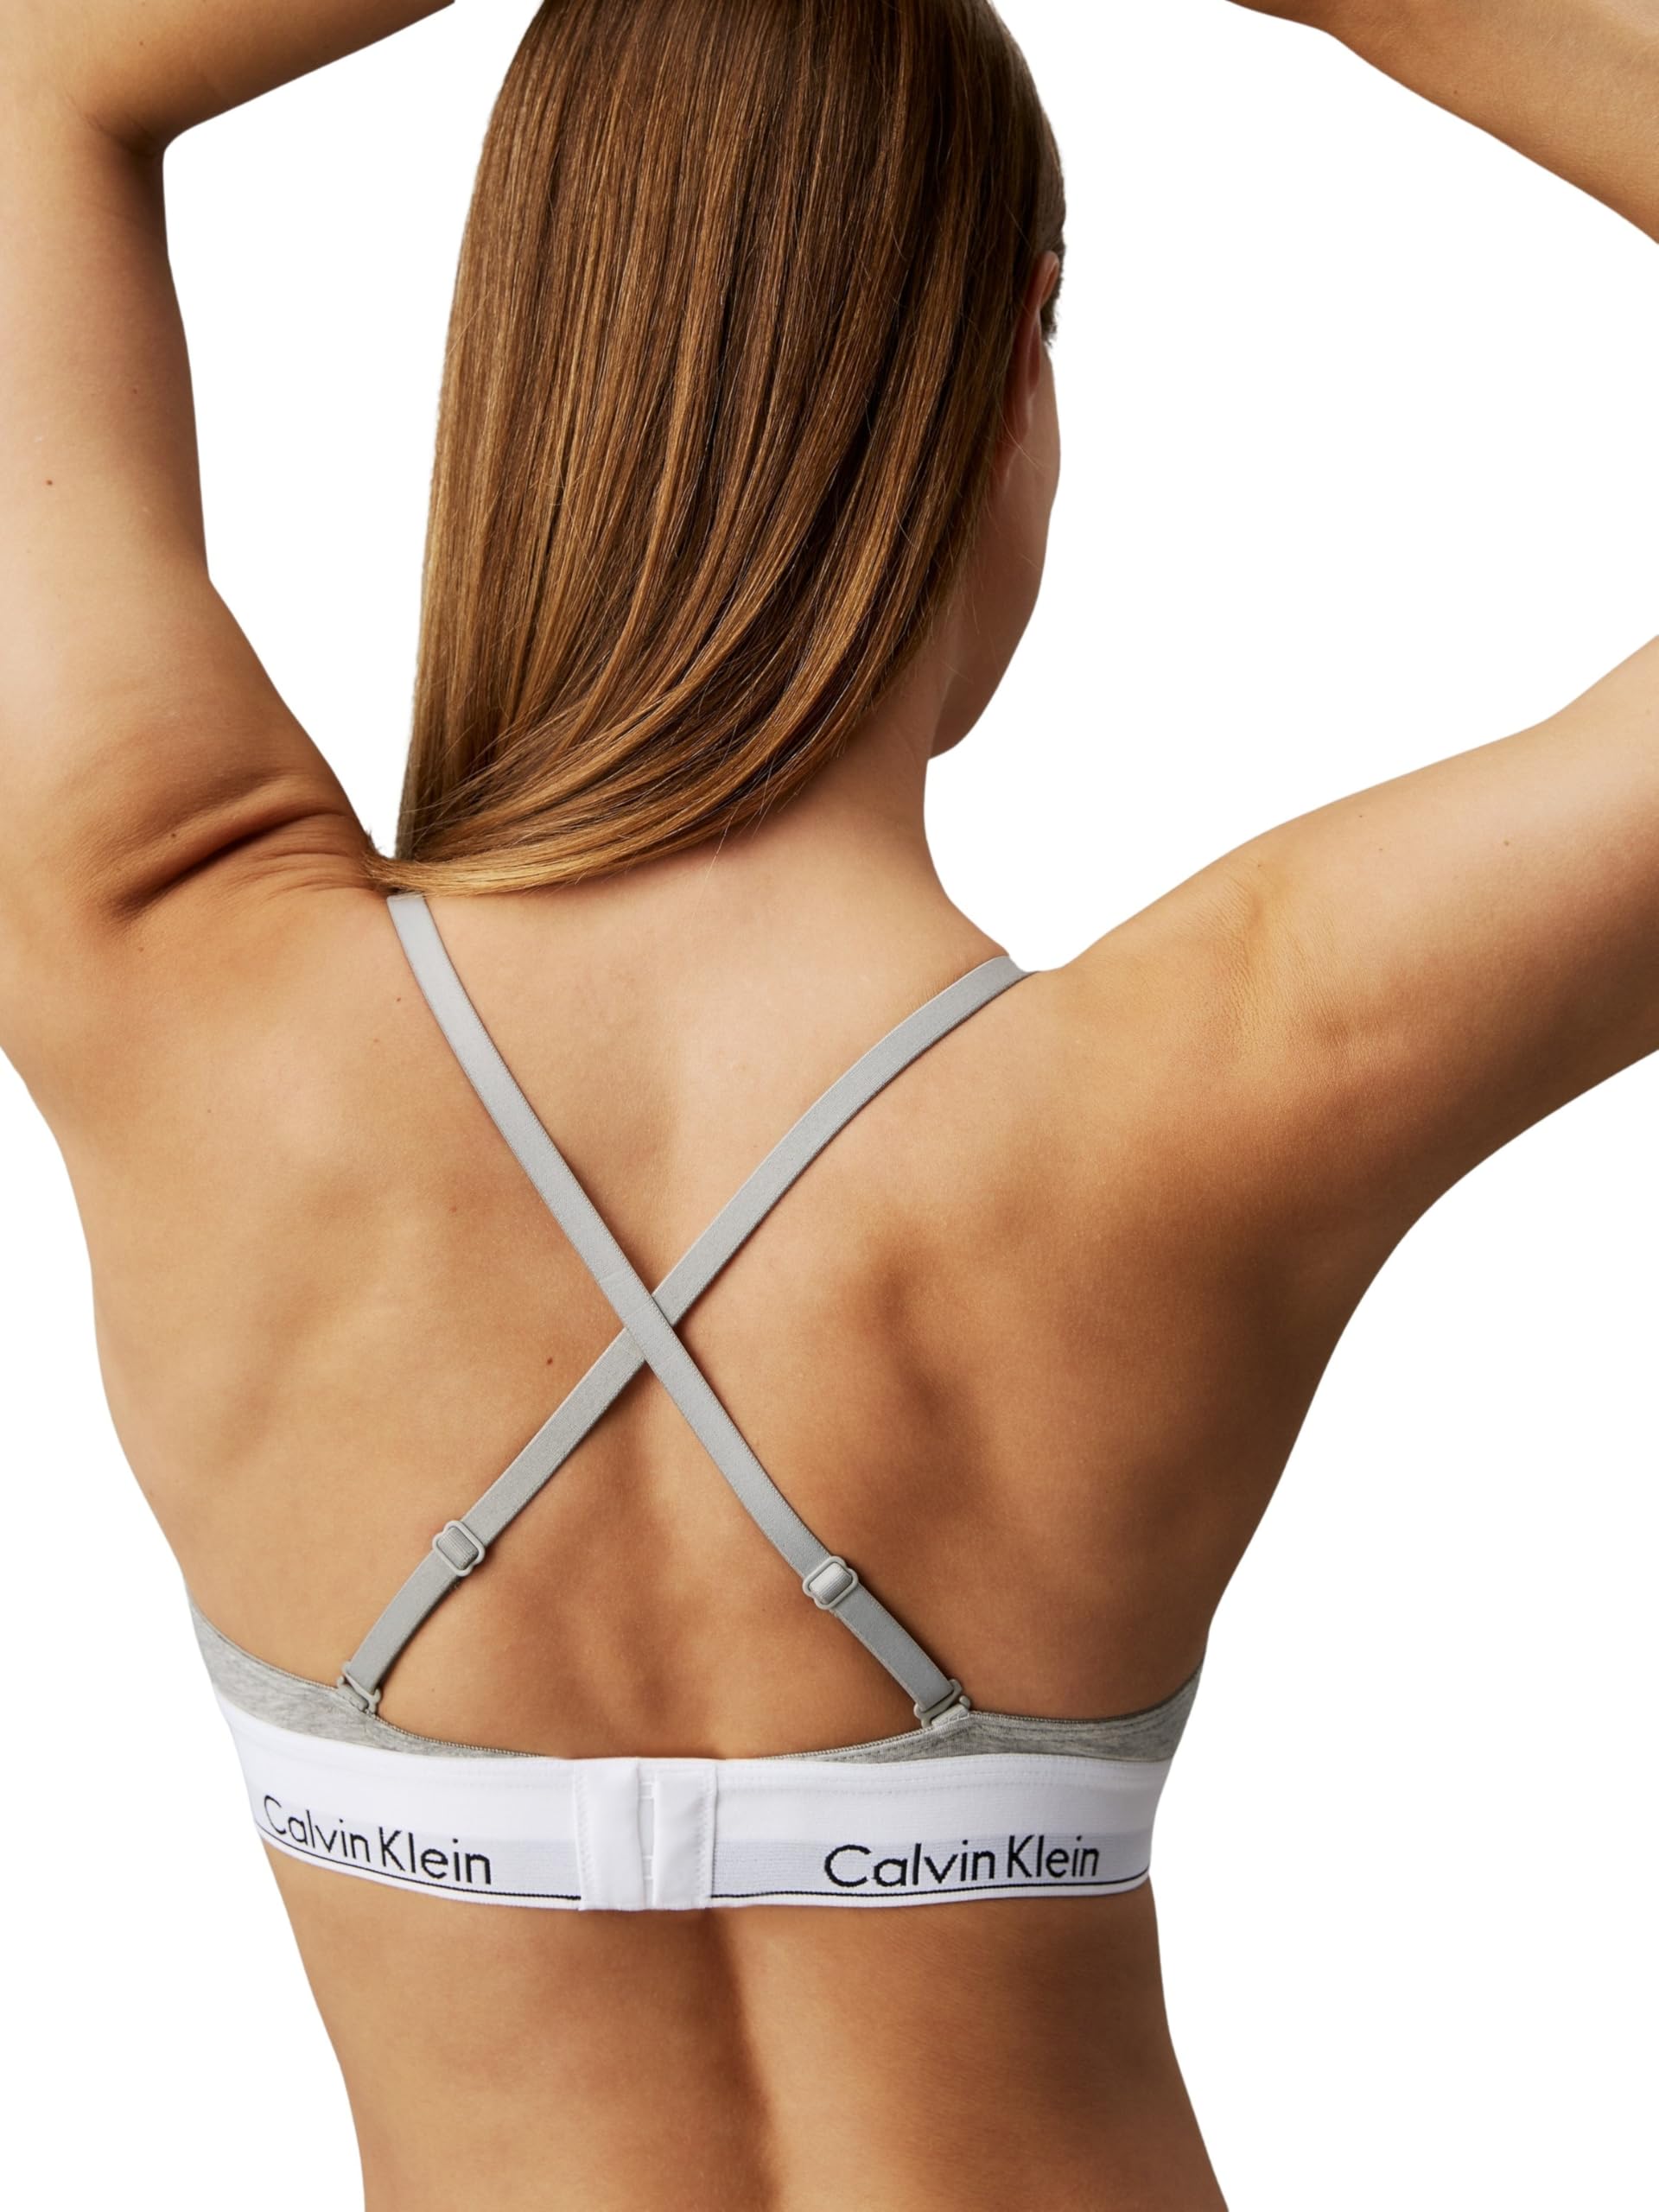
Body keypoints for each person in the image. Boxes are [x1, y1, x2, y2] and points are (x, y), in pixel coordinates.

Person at [0, 1, 1653, 2204]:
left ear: (520, 370)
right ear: (1012, 376)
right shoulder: (1228, 1082)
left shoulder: (163, 972)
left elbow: (25, 83)